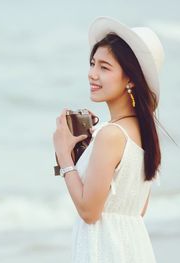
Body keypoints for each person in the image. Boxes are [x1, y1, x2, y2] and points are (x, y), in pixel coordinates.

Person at [52, 16, 165, 262]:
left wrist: (64, 156)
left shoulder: (111, 135)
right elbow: (137, 210)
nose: (92, 74)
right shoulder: (145, 135)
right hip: (135, 249)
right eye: (92, 63)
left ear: (131, 78)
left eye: (104, 67)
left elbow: (89, 212)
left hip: (105, 252)